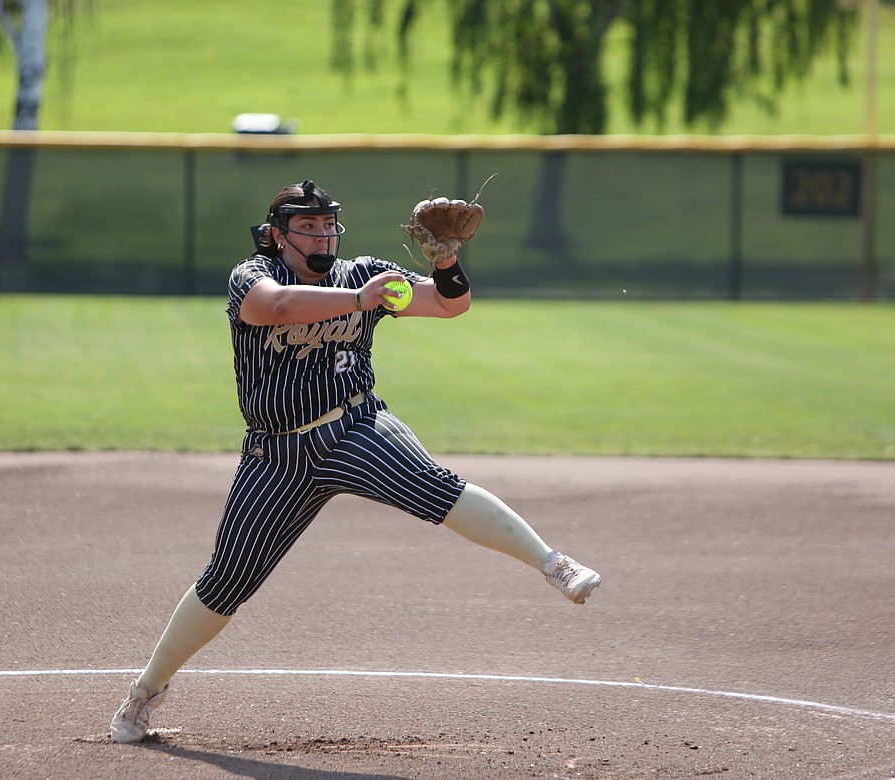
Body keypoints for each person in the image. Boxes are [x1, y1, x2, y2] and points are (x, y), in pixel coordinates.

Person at [110, 180, 601, 743]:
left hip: (355, 425)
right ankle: (145, 691)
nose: (322, 235)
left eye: (327, 225)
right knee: (227, 580)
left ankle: (552, 563)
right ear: (277, 235)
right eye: (307, 226)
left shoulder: (362, 272)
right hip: (277, 454)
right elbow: (277, 307)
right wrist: (360, 300)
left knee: (431, 486)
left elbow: (449, 304)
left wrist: (445, 261)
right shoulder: (252, 277)